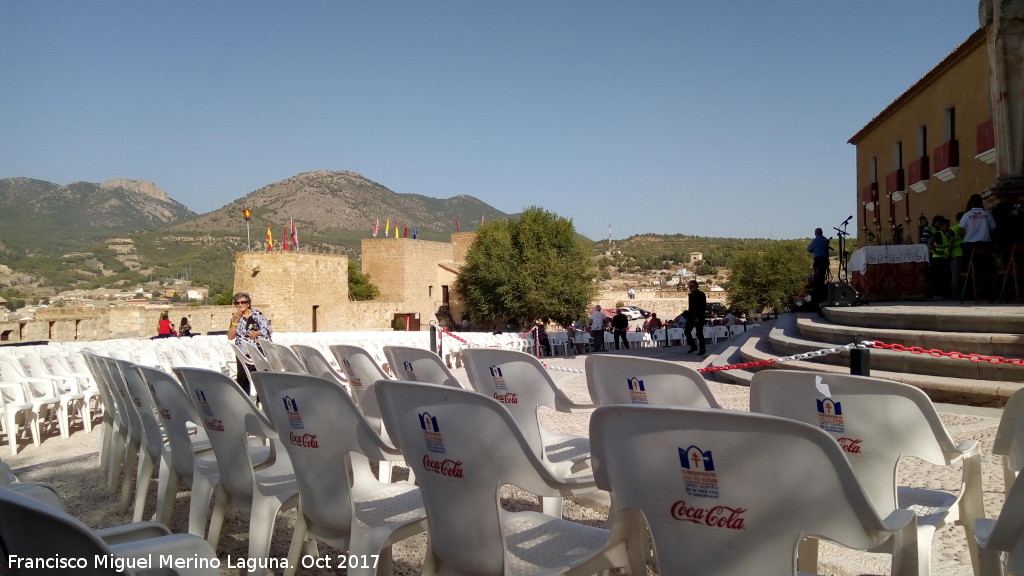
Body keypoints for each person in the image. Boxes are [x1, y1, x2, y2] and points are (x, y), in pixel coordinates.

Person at [227, 291, 273, 393]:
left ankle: (262, 400)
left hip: (258, 350)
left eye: (243, 302)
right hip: (242, 351)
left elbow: (269, 330)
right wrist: (234, 322)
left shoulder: (257, 314)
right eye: (237, 303)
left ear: (248, 303)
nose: (240, 304)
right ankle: (244, 401)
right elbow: (230, 336)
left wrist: (258, 333)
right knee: (243, 379)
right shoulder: (235, 317)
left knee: (261, 378)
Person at [959, 194, 997, 299]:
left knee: (967, 270)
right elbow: (993, 229)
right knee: (986, 270)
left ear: (971, 202)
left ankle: (969, 293)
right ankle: (986, 293)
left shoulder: (966, 215)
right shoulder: (987, 215)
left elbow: (960, 231)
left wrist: (968, 234)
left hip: (970, 247)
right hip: (985, 247)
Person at [927, 217, 952, 298]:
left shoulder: (946, 234)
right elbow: (930, 243)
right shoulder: (938, 234)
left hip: (944, 258)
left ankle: (943, 292)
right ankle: (936, 293)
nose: (948, 227)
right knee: (938, 276)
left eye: (948, 226)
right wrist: (935, 251)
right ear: (941, 226)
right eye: (946, 226)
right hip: (938, 258)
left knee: (944, 276)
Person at [807, 228, 831, 306]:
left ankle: (816, 297)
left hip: (818, 260)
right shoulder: (825, 240)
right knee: (822, 278)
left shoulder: (815, 240)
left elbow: (809, 249)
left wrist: (815, 250)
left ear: (816, 233)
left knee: (816, 278)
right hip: (824, 260)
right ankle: (822, 295)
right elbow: (827, 252)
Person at [685, 280, 707, 355]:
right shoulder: (690, 295)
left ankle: (702, 349)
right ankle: (693, 346)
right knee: (687, 331)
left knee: (699, 333)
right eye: (689, 286)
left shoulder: (701, 294)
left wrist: (698, 317)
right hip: (691, 317)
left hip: (699, 317)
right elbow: (691, 307)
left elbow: (702, 307)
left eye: (691, 286)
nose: (690, 288)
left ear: (696, 286)